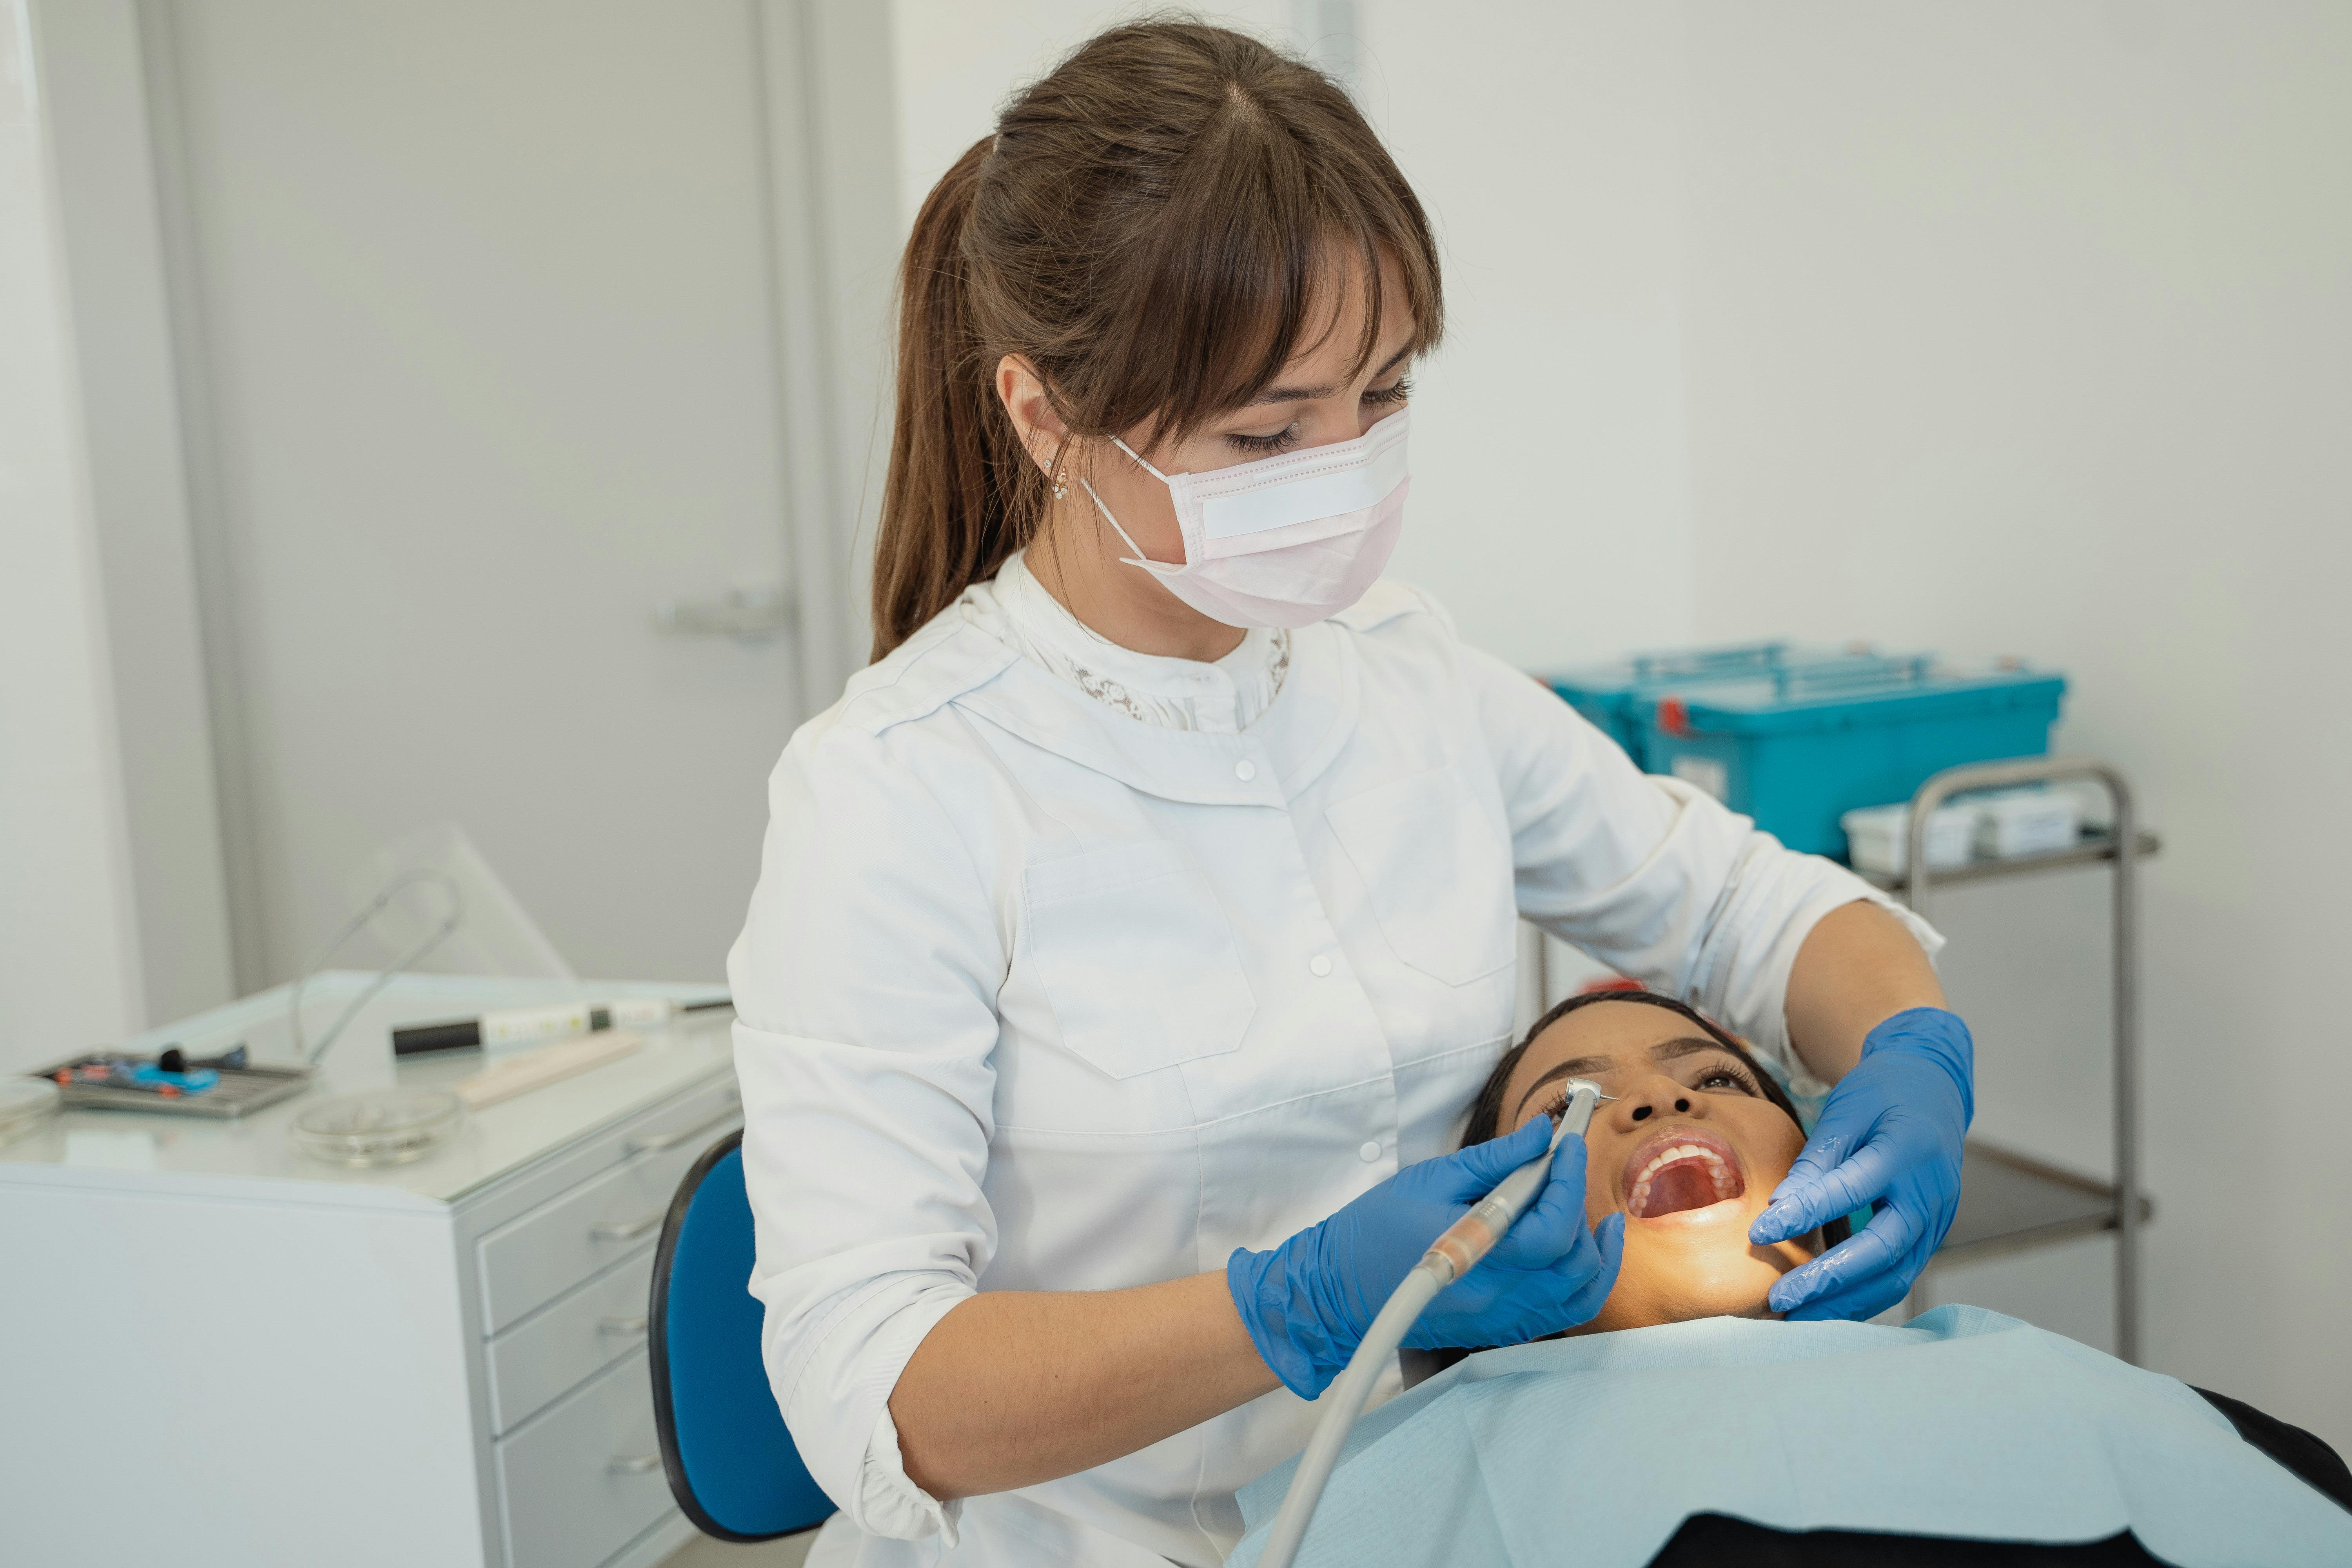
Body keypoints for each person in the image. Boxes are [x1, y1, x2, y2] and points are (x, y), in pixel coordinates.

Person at [728, 20, 1972, 1567]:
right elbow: (879, 1391)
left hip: (1428, 1515)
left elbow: (1746, 904)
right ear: (1048, 415)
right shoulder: (897, 794)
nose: (1345, 466)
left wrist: (1913, 1054)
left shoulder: (1404, 674)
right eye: (1269, 431)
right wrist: (1296, 1304)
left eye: (1381, 397)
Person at [1230, 991, 2352, 1568]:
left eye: (1714, 1076)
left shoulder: (2195, 1429)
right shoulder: (1387, 1507)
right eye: (1570, 1107)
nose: (1661, 1104)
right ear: (1485, 1233)